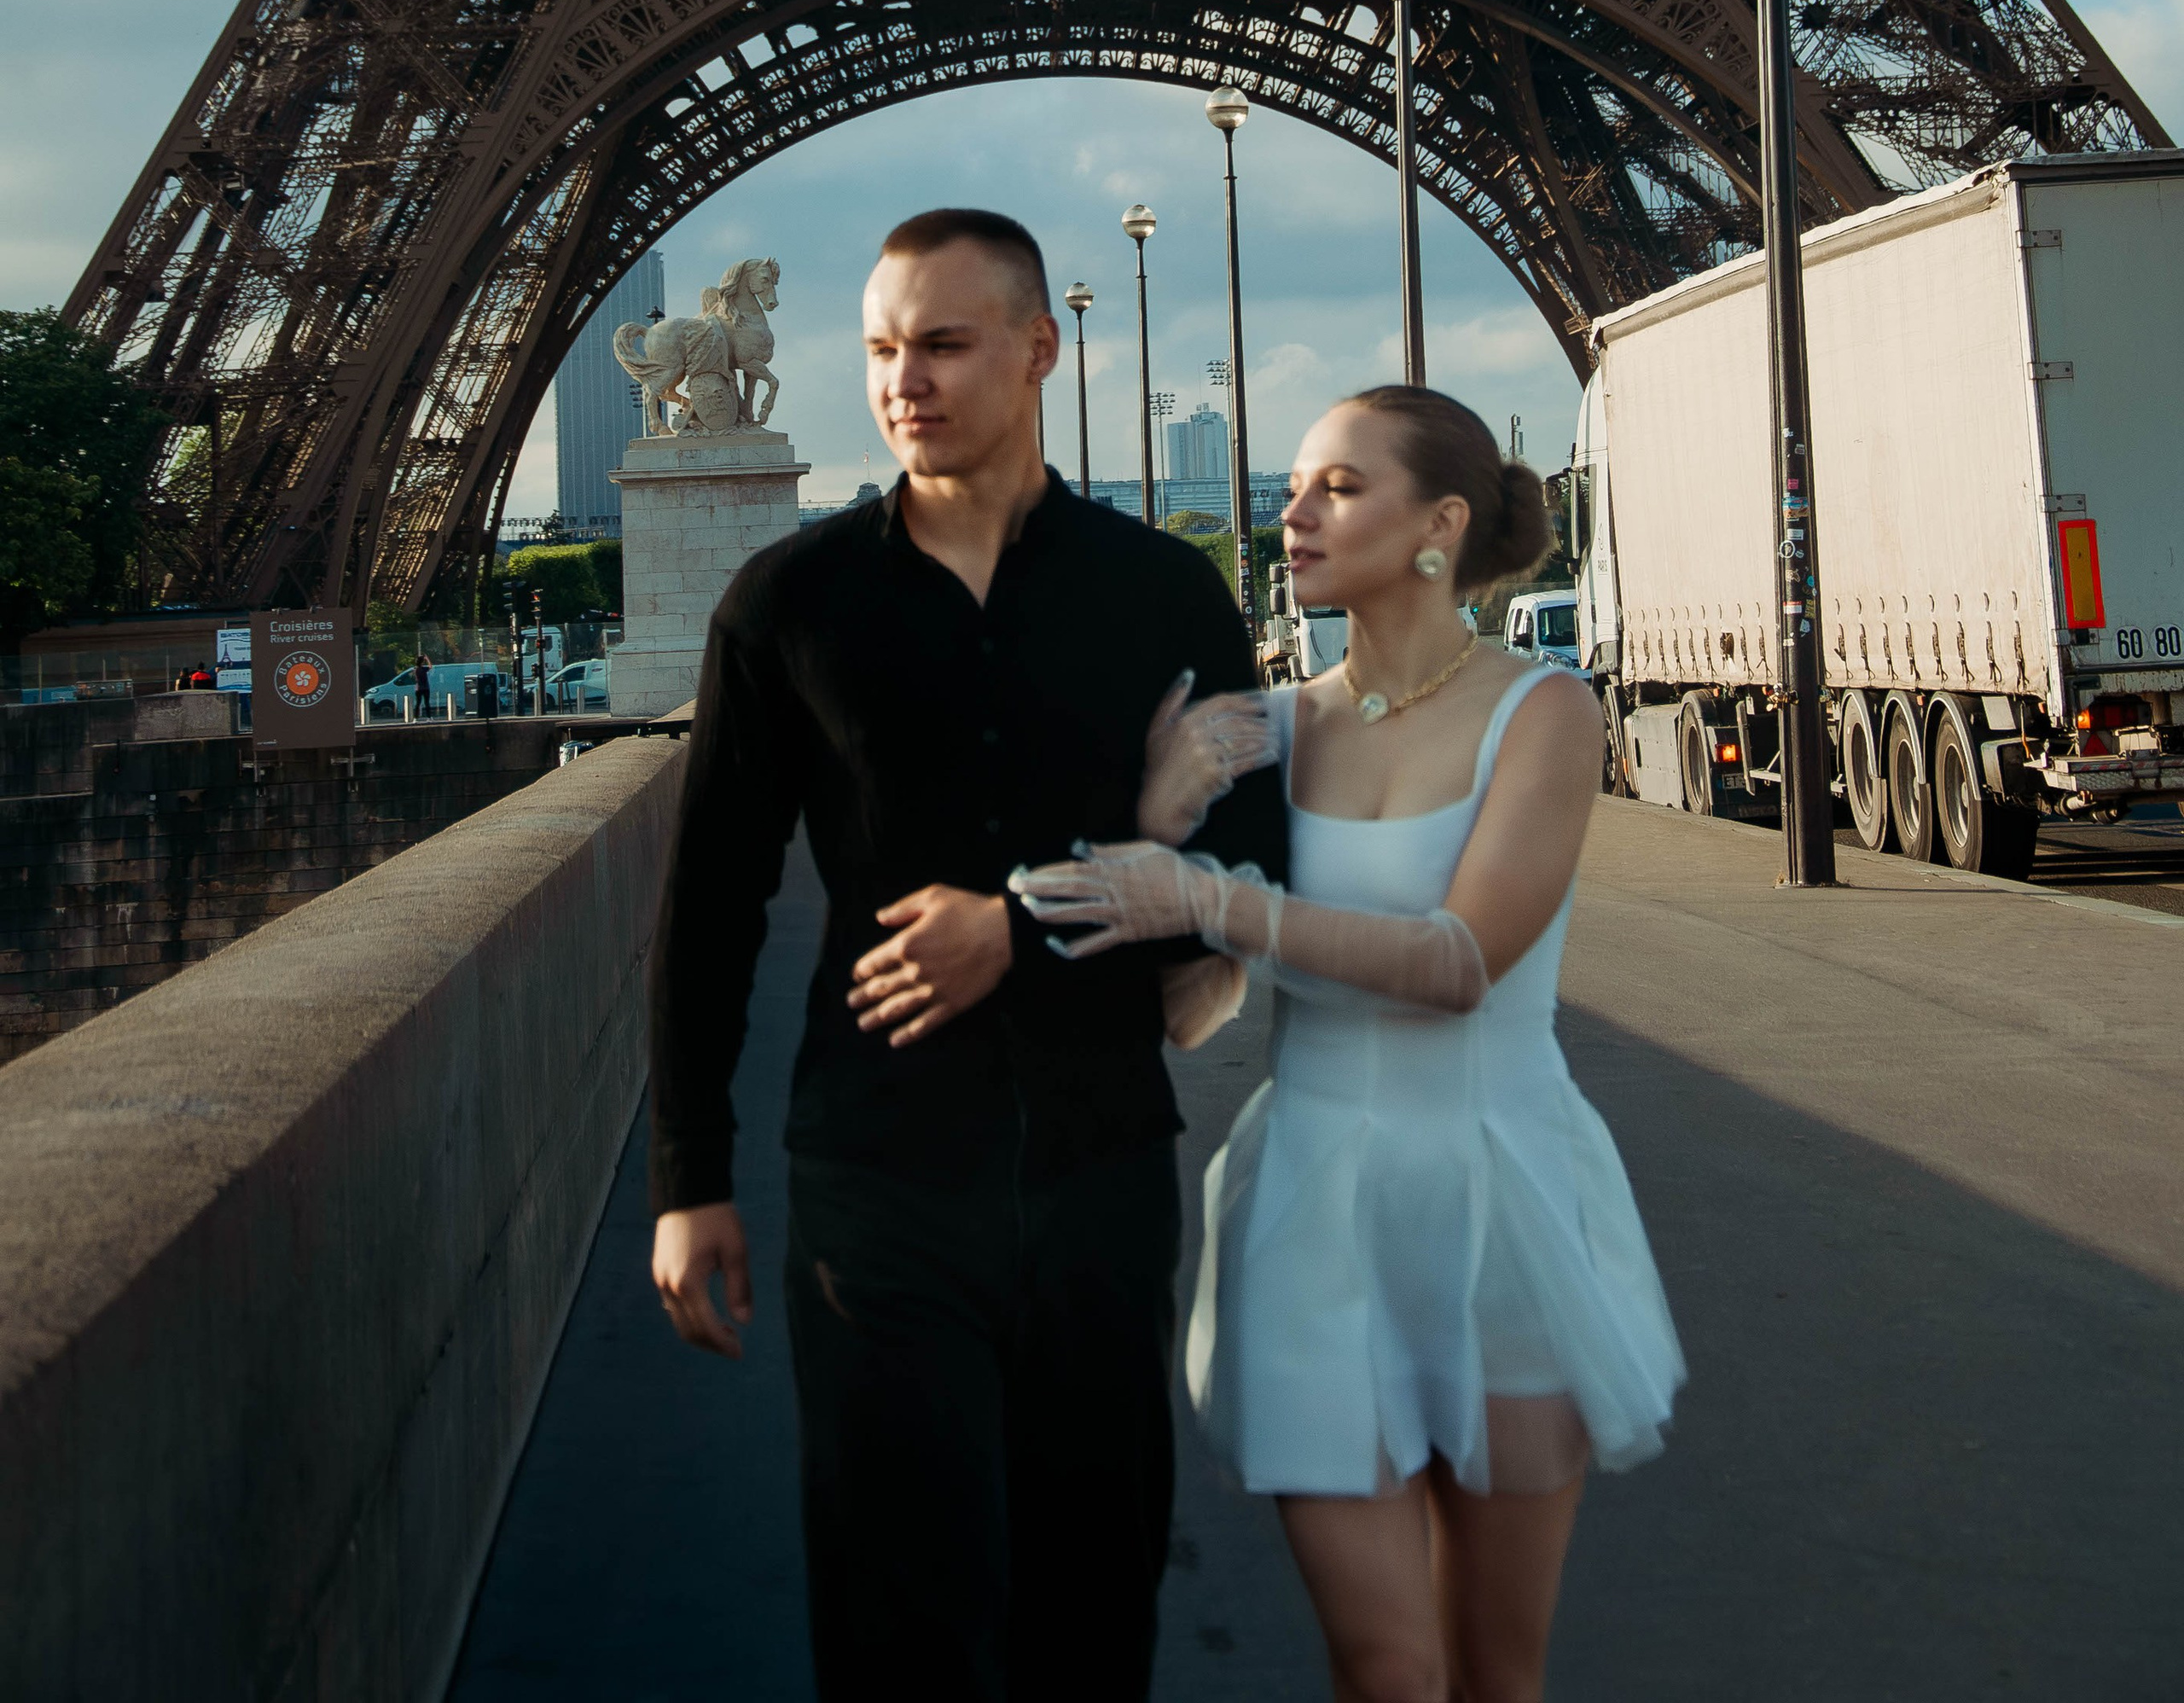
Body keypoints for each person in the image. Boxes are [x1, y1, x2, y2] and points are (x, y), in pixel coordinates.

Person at [648, 206, 1285, 1703]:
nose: (903, 380)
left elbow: (1252, 870)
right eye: (880, 348)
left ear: (1041, 348)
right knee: (895, 1619)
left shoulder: (1166, 597)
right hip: (875, 1174)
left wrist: (1026, 931)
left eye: (941, 342)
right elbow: (712, 901)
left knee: (1092, 1601)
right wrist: (690, 1178)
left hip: (1099, 1164)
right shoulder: (786, 607)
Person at [1015, 385, 1683, 1703]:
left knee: (1497, 1671)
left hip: (1504, 1197)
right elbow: (1190, 1007)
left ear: (1440, 525)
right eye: (1297, 484)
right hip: (1318, 1204)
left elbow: (1457, 963)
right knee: (1382, 1668)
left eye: (1338, 486)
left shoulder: (1543, 712)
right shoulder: (1259, 732)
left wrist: (1217, 896)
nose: (1294, 510)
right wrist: (1159, 823)